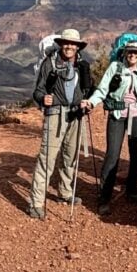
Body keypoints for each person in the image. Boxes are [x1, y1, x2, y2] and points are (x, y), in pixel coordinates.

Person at [29, 28, 93, 220]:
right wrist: (43, 99)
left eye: (73, 44)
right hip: (55, 113)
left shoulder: (83, 65)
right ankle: (36, 203)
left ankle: (65, 193)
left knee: (71, 156)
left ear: (78, 46)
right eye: (66, 43)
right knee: (47, 159)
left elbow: (89, 88)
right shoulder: (49, 64)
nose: (69, 47)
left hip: (76, 114)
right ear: (61, 44)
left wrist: (88, 102)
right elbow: (38, 91)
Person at [85, 40, 137, 215]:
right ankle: (104, 197)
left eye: (135, 52)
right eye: (129, 52)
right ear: (124, 53)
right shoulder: (115, 68)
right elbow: (102, 90)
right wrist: (91, 103)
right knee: (112, 155)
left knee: (136, 154)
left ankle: (132, 190)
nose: (132, 55)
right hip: (117, 115)